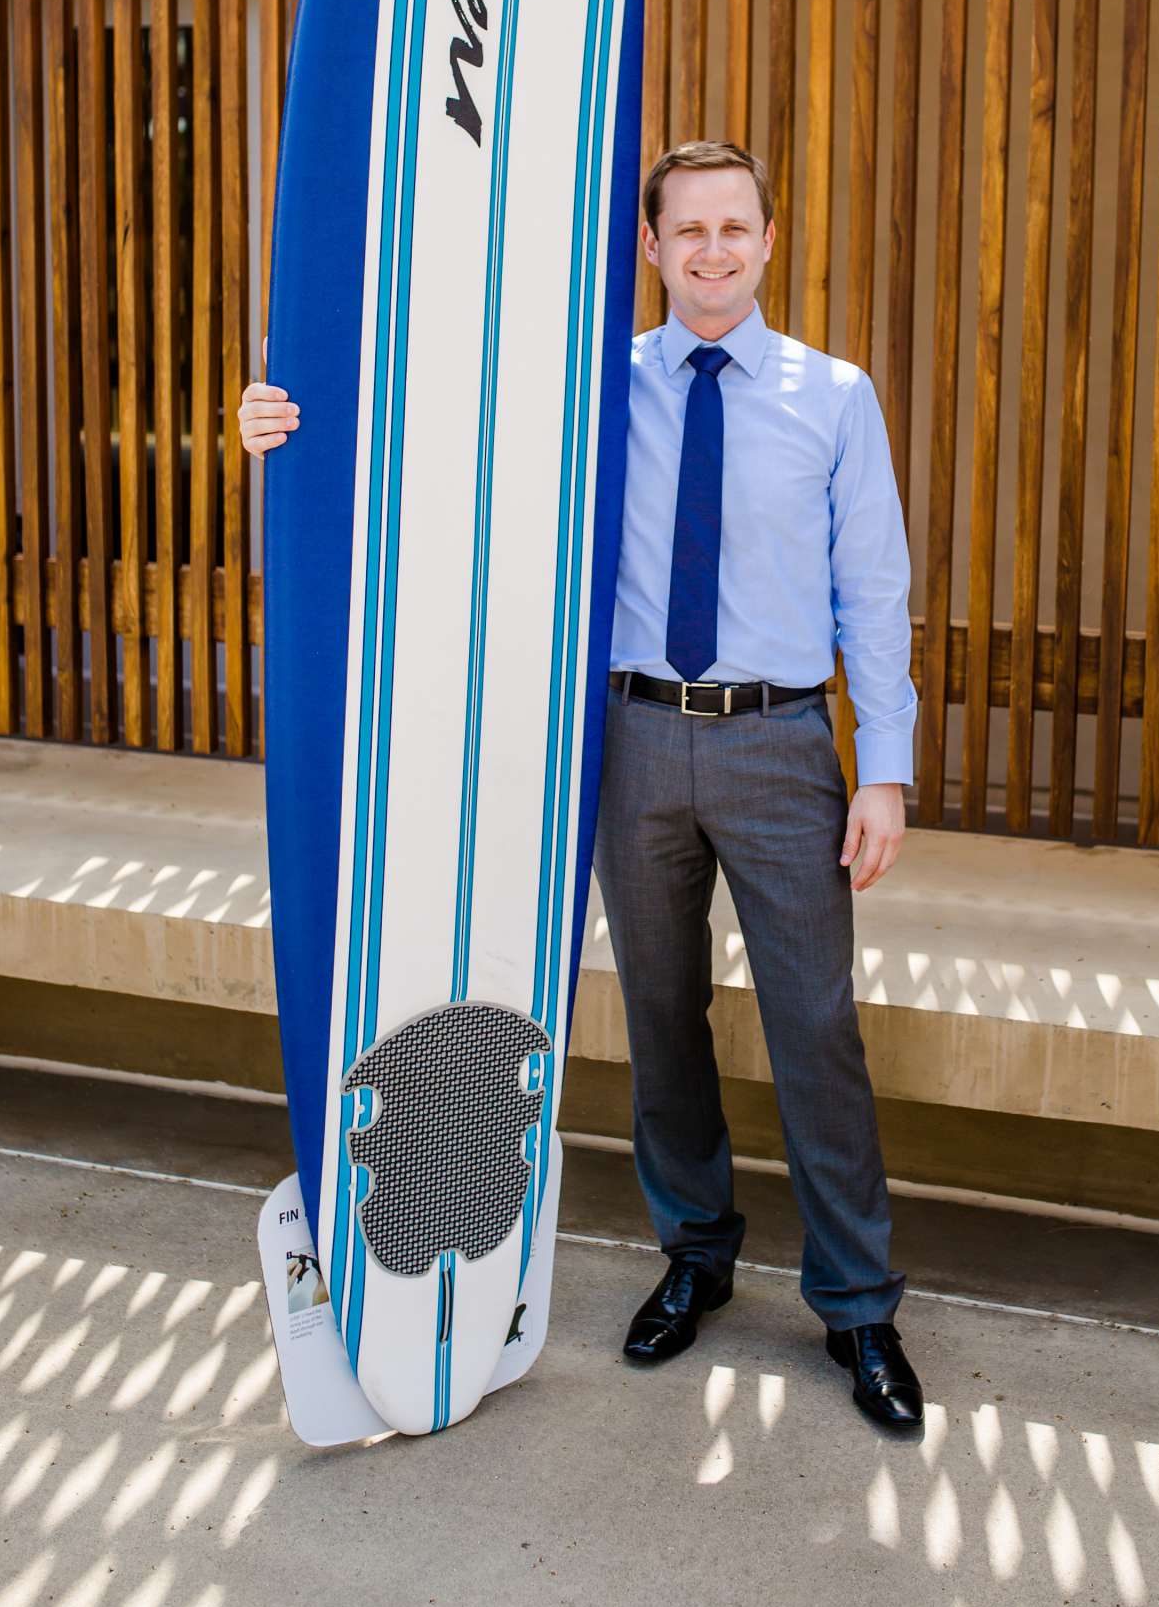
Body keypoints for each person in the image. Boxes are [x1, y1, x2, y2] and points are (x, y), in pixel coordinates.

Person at [237, 138, 924, 1433]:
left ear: (769, 242)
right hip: (630, 742)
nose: (714, 250)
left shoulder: (834, 396)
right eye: (688, 232)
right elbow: (433, 433)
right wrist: (294, 417)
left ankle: (858, 1306)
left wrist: (880, 772)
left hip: (780, 747)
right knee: (661, 1019)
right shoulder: (591, 391)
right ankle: (696, 1254)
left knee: (815, 1031)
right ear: (652, 251)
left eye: (737, 228)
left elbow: (873, 598)